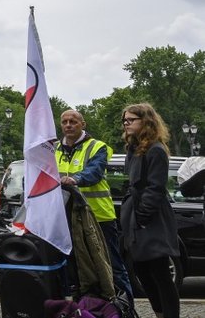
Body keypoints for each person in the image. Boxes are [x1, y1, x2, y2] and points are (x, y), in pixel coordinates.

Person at [54, 109, 132, 301]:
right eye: (64, 122)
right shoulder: (54, 149)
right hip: (68, 218)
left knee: (112, 266)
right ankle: (84, 308)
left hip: (99, 217)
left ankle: (125, 307)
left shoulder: (98, 147)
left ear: (83, 124)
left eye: (73, 121)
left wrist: (75, 179)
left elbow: (94, 172)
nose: (68, 125)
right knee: (76, 269)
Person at [121, 103, 180, 318]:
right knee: (142, 271)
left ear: (145, 121)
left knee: (160, 272)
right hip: (136, 215)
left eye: (131, 120)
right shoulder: (133, 148)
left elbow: (156, 187)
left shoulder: (156, 149)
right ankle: (159, 313)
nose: (126, 124)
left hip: (151, 217)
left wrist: (143, 217)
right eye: (125, 120)